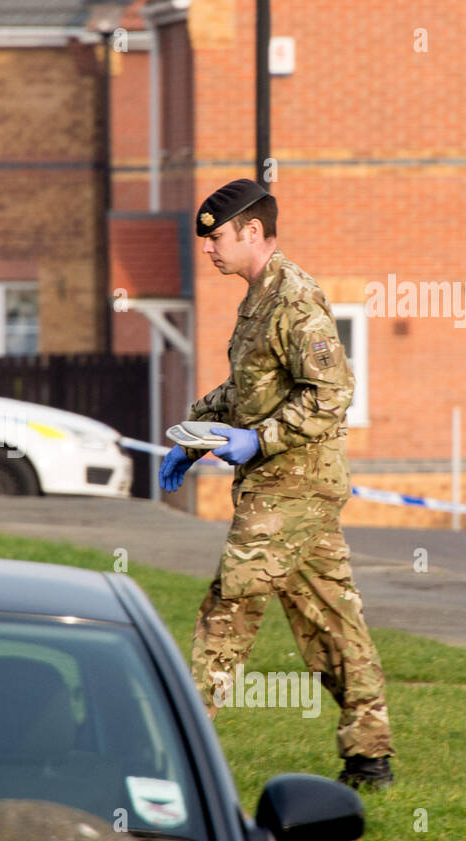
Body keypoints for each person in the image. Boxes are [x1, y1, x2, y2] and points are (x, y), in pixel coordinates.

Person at [159, 179, 395, 790]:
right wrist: (197, 432)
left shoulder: (293, 299)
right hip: (289, 485)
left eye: (216, 237)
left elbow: (333, 394)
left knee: (229, 606)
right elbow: (248, 391)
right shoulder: (258, 298)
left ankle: (178, 753)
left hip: (291, 486)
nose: (208, 249)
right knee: (329, 618)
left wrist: (257, 441)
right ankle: (370, 758)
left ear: (252, 232)